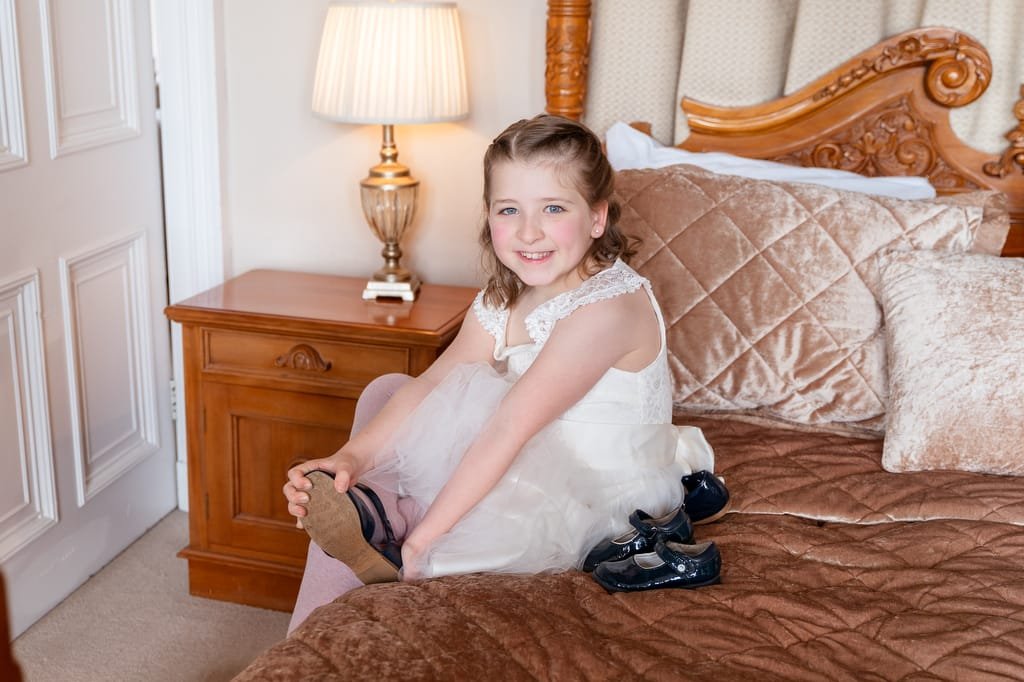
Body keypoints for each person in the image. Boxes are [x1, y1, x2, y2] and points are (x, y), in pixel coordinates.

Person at [283, 114, 717, 630]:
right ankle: (366, 504)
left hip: (594, 491)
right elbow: (436, 381)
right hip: (522, 446)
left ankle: (392, 524)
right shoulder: (505, 296)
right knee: (391, 389)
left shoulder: (608, 307)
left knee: (477, 437)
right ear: (488, 214)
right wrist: (348, 457)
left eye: (553, 208)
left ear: (597, 218)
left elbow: (511, 425)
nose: (528, 232)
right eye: (509, 210)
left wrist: (426, 543)